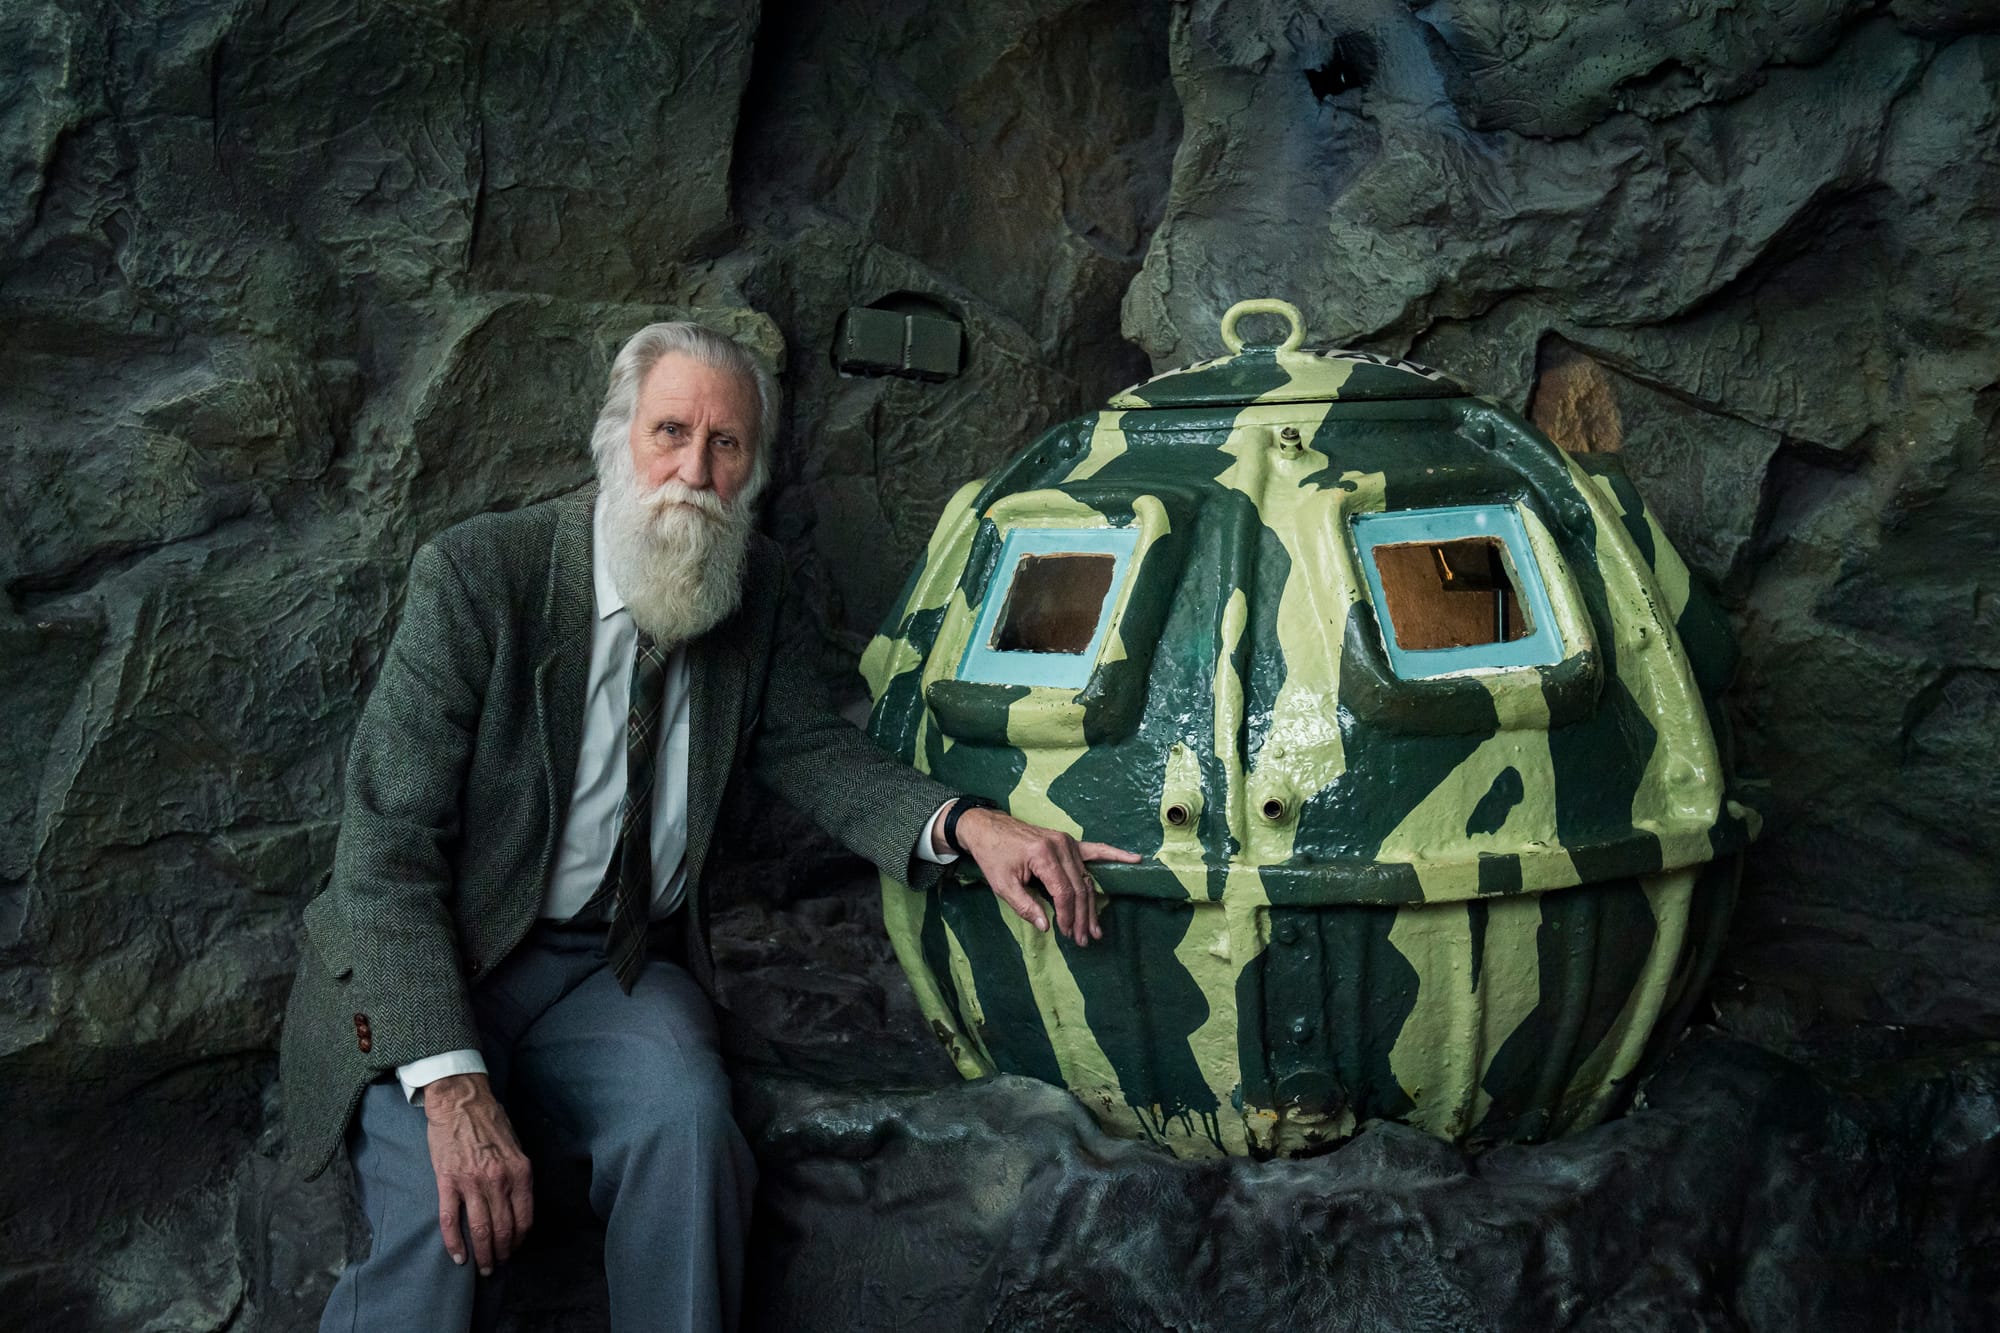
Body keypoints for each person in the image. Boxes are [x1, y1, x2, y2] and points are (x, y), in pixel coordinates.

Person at [279, 321, 1139, 1332]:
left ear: (752, 469)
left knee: (690, 1132)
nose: (692, 470)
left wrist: (970, 826)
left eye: (725, 445)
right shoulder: (480, 579)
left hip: (614, 969)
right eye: (670, 432)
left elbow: (815, 752)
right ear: (616, 439)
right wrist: (454, 1092)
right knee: (444, 1212)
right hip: (446, 956)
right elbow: (383, 853)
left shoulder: (757, 588)